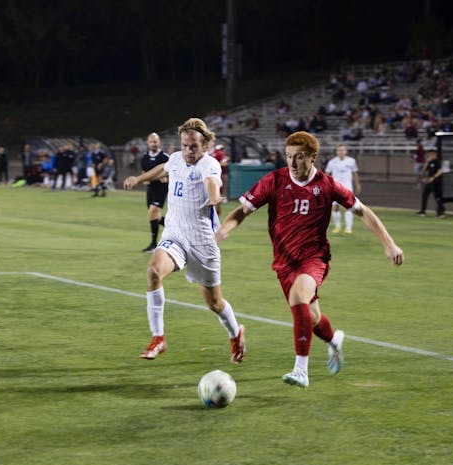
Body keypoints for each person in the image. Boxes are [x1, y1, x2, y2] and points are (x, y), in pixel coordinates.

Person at [216, 131, 403, 388]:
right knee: (311, 317)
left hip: (313, 258)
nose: (292, 163)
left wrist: (389, 243)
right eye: (288, 156)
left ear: (313, 157)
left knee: (298, 297)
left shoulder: (327, 185)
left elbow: (363, 212)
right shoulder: (274, 181)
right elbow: (241, 211)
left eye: (299, 157)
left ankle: (301, 370)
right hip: (284, 262)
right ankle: (333, 340)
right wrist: (223, 231)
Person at [123, 118, 246, 364]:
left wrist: (214, 198)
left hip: (202, 243)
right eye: (185, 145)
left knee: (214, 303)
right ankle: (158, 337)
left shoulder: (209, 164)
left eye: (194, 146)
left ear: (205, 146)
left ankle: (236, 334)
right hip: (175, 236)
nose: (189, 150)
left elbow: (211, 183)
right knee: (153, 272)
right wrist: (139, 179)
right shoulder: (176, 158)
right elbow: (163, 169)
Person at [139, 133, 170, 252]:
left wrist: (167, 178)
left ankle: (154, 244)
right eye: (151, 142)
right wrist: (143, 179)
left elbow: (173, 171)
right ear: (148, 143)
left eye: (155, 142)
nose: (153, 144)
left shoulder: (165, 157)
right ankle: (174, 227)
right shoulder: (145, 156)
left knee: (153, 212)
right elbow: (144, 172)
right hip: (151, 189)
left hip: (161, 188)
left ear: (159, 142)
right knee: (154, 216)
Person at [324, 143, 362, 234]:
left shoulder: (351, 161)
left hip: (347, 186)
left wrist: (357, 184)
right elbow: (326, 174)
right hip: (335, 187)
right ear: (336, 152)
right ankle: (337, 227)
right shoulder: (332, 162)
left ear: (345, 151)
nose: (341, 152)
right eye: (339, 150)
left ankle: (348, 228)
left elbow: (355, 173)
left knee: (348, 207)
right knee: (335, 207)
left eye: (342, 150)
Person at [416, 149, 445, 218]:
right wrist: (427, 162)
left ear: (434, 154)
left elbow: (440, 171)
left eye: (431, 154)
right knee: (424, 195)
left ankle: (440, 213)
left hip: (436, 182)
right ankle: (422, 211)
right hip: (430, 182)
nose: (429, 155)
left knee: (437, 197)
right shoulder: (430, 162)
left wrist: (433, 177)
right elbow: (423, 170)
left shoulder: (437, 161)